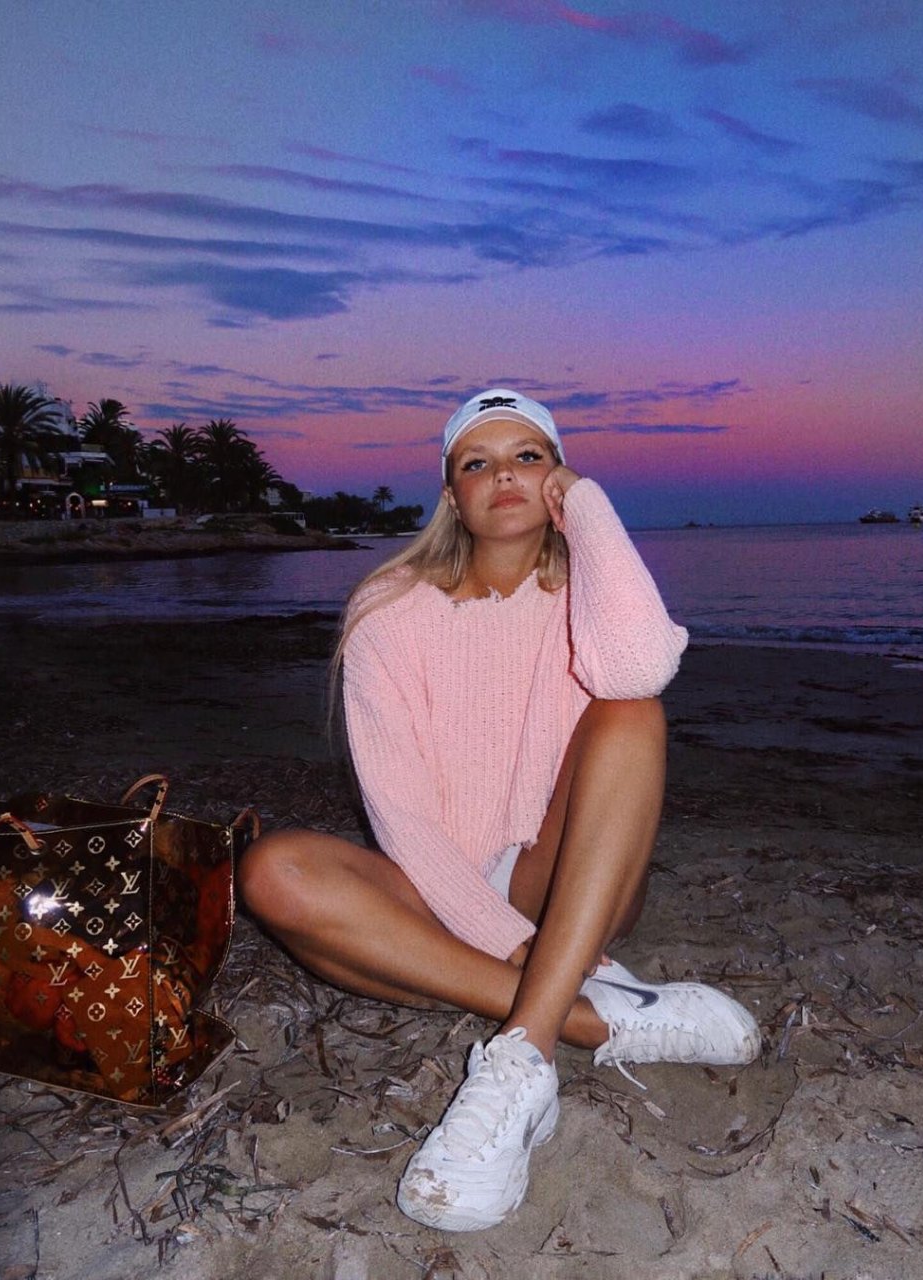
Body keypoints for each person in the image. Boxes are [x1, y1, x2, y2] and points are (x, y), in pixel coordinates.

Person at [240, 388, 760, 1232]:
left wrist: (586, 507)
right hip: (432, 895)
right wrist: (512, 943)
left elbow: (640, 668)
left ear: (557, 478)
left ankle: (518, 1048)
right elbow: (402, 822)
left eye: (529, 457)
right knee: (272, 869)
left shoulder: (588, 594)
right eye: (478, 463)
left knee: (631, 713)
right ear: (453, 496)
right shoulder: (387, 611)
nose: (505, 476)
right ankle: (584, 1018)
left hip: (564, 885)